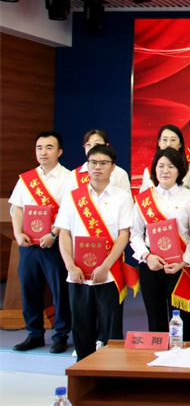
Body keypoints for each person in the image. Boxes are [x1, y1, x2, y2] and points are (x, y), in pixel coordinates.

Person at [55, 144, 133, 361]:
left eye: (103, 163)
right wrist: (70, 265)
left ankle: (111, 373)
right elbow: (64, 233)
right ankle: (83, 372)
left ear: (113, 167)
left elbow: (124, 235)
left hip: (109, 274)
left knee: (111, 331)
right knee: (81, 329)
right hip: (78, 274)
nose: (97, 167)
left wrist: (105, 266)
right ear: (87, 166)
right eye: (93, 163)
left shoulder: (122, 197)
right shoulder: (73, 197)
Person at [130, 147, 190, 340]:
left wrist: (184, 260)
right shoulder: (144, 199)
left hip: (180, 267)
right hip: (151, 265)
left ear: (179, 170)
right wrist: (147, 256)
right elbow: (135, 234)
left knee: (184, 319)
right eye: (161, 166)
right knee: (155, 317)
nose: (165, 171)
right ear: (154, 169)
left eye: (171, 166)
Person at [9, 131, 72, 353]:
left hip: (55, 244)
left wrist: (53, 234)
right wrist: (18, 233)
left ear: (59, 151)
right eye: (39, 148)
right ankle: (34, 334)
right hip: (29, 245)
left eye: (49, 147)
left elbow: (69, 212)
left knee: (59, 289)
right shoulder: (27, 179)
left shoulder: (69, 178)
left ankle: (61, 334)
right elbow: (17, 208)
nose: (43, 152)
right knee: (29, 288)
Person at [138, 125, 190, 193]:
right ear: (159, 143)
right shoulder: (148, 171)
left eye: (173, 140)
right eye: (165, 140)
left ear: (180, 144)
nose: (168, 144)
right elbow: (143, 197)